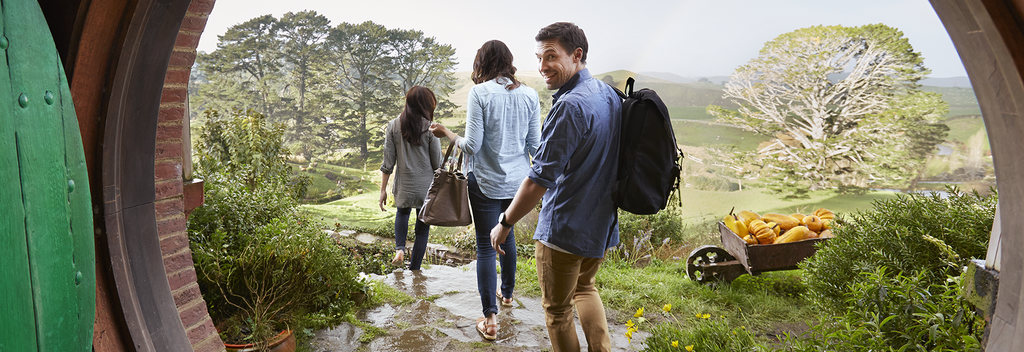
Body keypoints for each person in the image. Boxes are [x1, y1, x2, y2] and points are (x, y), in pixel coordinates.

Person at [488, 22, 621, 351]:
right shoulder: (607, 94)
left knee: (557, 311)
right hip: (601, 224)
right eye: (538, 58)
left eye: (551, 56)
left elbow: (538, 181)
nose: (543, 66)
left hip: (564, 230)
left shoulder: (569, 106)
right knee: (585, 288)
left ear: (577, 55)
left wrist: (505, 223)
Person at [429, 39, 542, 341]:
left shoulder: (479, 93)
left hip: (486, 182)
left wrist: (448, 133)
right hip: (519, 183)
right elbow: (535, 147)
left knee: (485, 246)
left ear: (482, 63)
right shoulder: (530, 95)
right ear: (509, 62)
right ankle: (506, 296)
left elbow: (472, 146)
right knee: (509, 233)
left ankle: (490, 320)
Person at [379, 86, 442, 271]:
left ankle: (399, 249)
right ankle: (414, 268)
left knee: (402, 213)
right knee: (422, 229)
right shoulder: (431, 127)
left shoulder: (393, 125)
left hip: (403, 186)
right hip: (426, 188)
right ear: (425, 105)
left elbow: (387, 163)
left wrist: (383, 191)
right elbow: (437, 163)